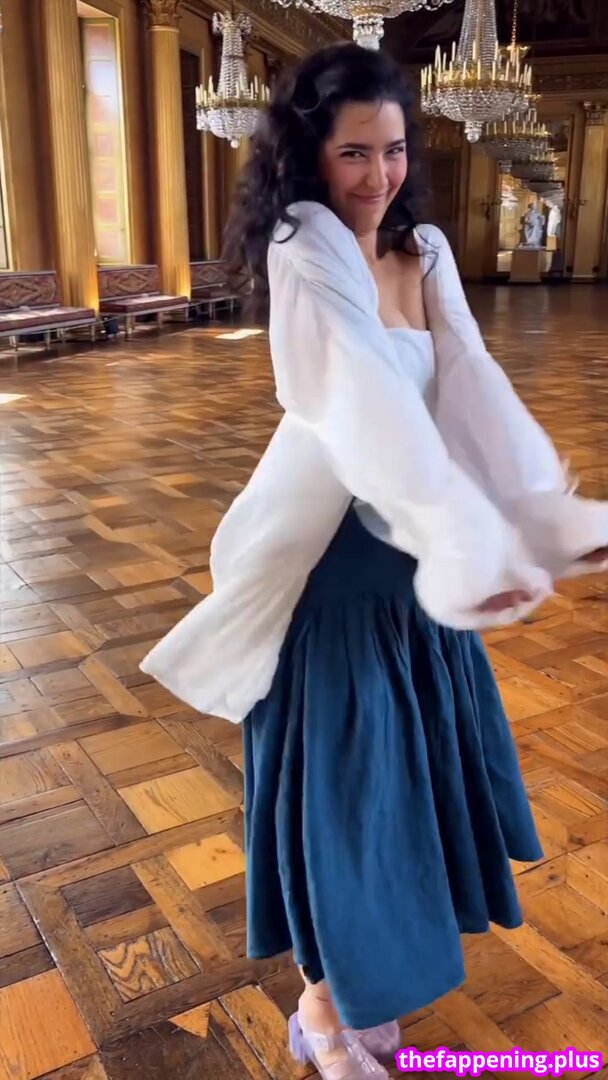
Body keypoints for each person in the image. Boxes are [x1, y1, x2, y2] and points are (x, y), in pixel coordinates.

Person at [141, 44, 608, 1080]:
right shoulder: (302, 248)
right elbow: (365, 403)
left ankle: (360, 983)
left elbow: (469, 381)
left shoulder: (425, 249)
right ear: (307, 153)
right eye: (354, 152)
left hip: (410, 562)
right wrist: (459, 541)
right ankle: (321, 1006)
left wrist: (544, 513)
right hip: (334, 568)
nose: (377, 175)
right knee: (349, 796)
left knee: (411, 783)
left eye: (393, 150)